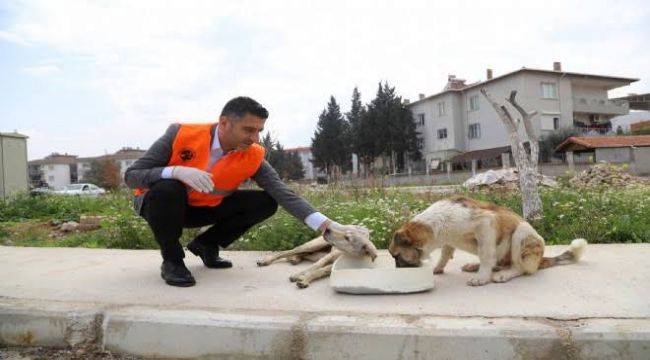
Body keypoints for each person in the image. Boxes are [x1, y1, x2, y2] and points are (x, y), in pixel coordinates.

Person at [124, 96, 353, 287]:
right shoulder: (180, 134)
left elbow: (283, 192)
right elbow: (132, 175)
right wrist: (175, 172)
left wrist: (327, 226)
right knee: (167, 189)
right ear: (224, 123)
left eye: (259, 131)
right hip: (162, 208)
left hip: (203, 209)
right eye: (248, 130)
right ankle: (172, 261)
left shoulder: (253, 154)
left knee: (266, 201)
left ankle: (207, 245)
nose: (255, 138)